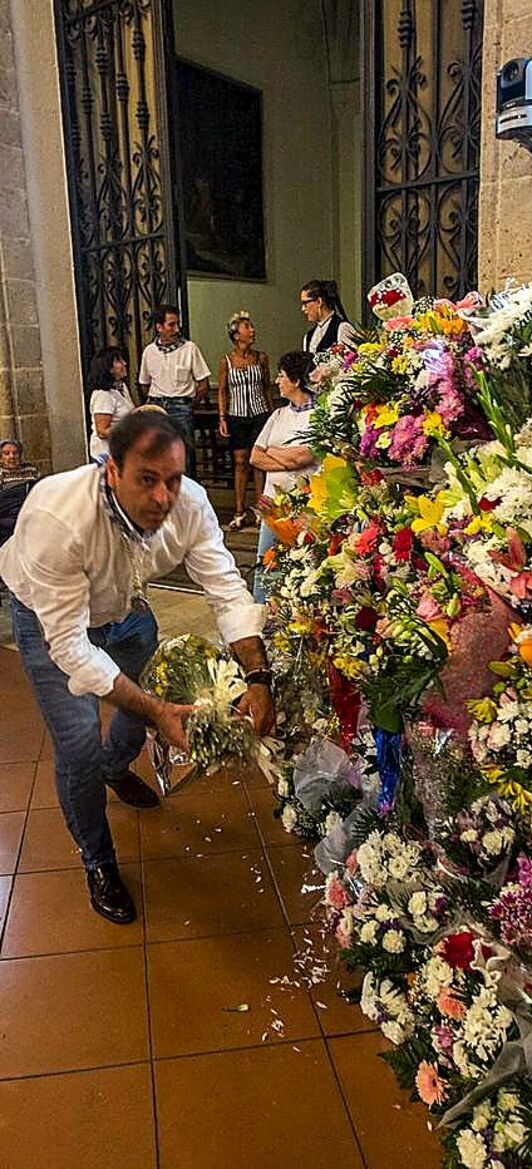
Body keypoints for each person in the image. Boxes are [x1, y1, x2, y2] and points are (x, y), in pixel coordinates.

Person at [0, 411, 275, 925]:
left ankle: (116, 765)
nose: (162, 498)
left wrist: (259, 677)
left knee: (150, 690)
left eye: (172, 480)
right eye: (147, 480)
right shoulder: (57, 516)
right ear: (111, 470)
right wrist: (156, 708)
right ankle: (99, 861)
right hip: (46, 620)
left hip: (125, 609)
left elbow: (224, 587)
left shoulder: (188, 504)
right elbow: (72, 649)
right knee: (79, 743)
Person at [250, 351, 320, 601]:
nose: (277, 381)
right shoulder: (277, 415)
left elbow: (304, 457)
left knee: (301, 568)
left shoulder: (317, 416)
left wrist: (275, 452)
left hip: (302, 504)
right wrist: (287, 459)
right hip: (271, 503)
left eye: (281, 376)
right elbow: (255, 457)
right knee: (266, 564)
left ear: (296, 380)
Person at [137, 304, 210, 478]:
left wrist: (190, 404)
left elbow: (203, 383)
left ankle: (186, 494)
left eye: (177, 324)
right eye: (171, 325)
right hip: (156, 406)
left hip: (181, 406)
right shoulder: (150, 352)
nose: (176, 329)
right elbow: (144, 383)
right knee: (155, 452)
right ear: (159, 327)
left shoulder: (189, 349)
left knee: (183, 453)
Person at [217, 311, 271, 531]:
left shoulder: (261, 358)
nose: (252, 330)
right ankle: (239, 510)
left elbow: (266, 386)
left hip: (259, 413)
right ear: (236, 334)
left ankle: (260, 508)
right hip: (237, 415)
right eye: (247, 327)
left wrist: (272, 413)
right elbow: (222, 391)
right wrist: (222, 417)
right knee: (240, 461)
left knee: (258, 462)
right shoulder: (226, 361)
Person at [88, 346, 135, 462]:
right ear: (108, 368)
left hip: (120, 451)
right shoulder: (103, 395)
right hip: (107, 454)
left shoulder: (121, 387)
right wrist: (129, 429)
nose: (124, 364)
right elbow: (102, 431)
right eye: (118, 361)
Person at [0, 438, 39, 547]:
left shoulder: (30, 469)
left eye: (15, 453)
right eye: (6, 454)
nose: (11, 456)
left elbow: (39, 488)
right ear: (1, 458)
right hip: (9, 512)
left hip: (31, 506)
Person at [300, 279, 355, 354]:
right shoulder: (308, 337)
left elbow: (352, 360)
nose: (303, 309)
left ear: (319, 301)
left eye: (305, 303)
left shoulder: (342, 328)